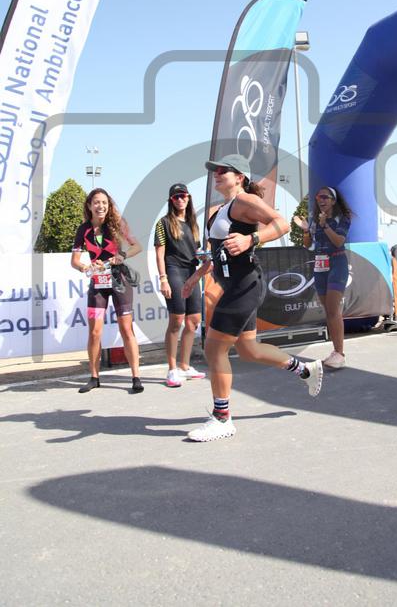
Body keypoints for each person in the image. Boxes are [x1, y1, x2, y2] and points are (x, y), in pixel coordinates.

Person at [182, 154, 323, 443]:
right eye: (215, 171)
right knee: (248, 350)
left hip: (244, 285)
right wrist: (196, 276)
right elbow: (217, 252)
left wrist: (252, 239)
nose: (217, 174)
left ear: (239, 177)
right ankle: (305, 369)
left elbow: (282, 224)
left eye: (223, 170)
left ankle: (222, 419)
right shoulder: (218, 211)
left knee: (214, 349)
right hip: (235, 285)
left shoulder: (245, 201)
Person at [71, 188, 144, 394]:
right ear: (89, 205)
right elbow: (74, 261)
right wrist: (85, 267)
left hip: (119, 281)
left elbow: (137, 246)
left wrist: (122, 256)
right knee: (94, 332)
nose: (100, 206)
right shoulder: (83, 229)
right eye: (96, 202)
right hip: (98, 282)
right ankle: (94, 377)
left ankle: (136, 377)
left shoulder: (118, 223)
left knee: (126, 329)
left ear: (108, 205)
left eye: (104, 202)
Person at [294, 186, 352, 369]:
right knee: (328, 311)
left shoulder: (343, 218)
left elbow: (338, 241)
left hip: (337, 263)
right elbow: (308, 245)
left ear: (333, 201)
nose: (321, 200)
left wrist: (324, 224)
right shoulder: (314, 220)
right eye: (318, 197)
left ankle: (340, 354)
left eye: (325, 197)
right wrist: (306, 230)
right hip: (320, 265)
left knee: (334, 310)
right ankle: (336, 352)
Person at [154, 182, 206, 387]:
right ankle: (172, 370)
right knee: (176, 321)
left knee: (194, 321)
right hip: (173, 271)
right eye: (176, 197)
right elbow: (160, 254)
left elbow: (196, 251)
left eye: (183, 195)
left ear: (188, 197)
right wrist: (163, 278)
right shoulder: (164, 223)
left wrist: (204, 256)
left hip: (191, 272)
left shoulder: (193, 223)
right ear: (171, 200)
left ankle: (185, 366)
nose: (180, 199)